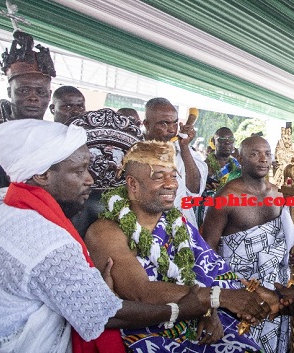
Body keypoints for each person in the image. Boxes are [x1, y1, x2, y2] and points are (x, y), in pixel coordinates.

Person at [0, 119, 212, 353]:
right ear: (42, 175)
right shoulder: (46, 239)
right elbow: (106, 314)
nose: (91, 179)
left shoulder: (7, 206)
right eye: (79, 171)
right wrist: (181, 310)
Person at [84, 140, 276, 352]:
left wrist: (259, 293)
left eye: (173, 176)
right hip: (144, 332)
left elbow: (212, 271)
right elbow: (140, 291)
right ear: (133, 184)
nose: (171, 184)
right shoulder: (106, 231)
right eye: (158, 177)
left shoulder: (178, 224)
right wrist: (215, 299)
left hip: (194, 325)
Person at [202, 136, 294, 353]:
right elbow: (206, 252)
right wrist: (215, 302)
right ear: (240, 158)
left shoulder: (278, 193)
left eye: (267, 154)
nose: (263, 159)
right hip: (240, 293)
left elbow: (286, 239)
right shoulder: (225, 197)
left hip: (277, 292)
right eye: (254, 154)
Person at [0, 31, 54, 201]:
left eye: (41, 92)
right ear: (10, 92)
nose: (33, 97)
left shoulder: (59, 139)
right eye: (24, 90)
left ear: (49, 95)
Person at [142, 97, 208, 226]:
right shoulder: (135, 151)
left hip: (182, 224)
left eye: (175, 122)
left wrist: (184, 147)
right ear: (146, 124)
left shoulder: (183, 149)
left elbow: (194, 190)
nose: (172, 130)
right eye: (163, 123)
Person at [197, 127, 241, 227]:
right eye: (222, 140)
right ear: (214, 141)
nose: (227, 143)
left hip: (232, 213)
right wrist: (204, 187)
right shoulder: (204, 166)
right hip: (207, 213)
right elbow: (194, 190)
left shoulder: (238, 165)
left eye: (231, 140)